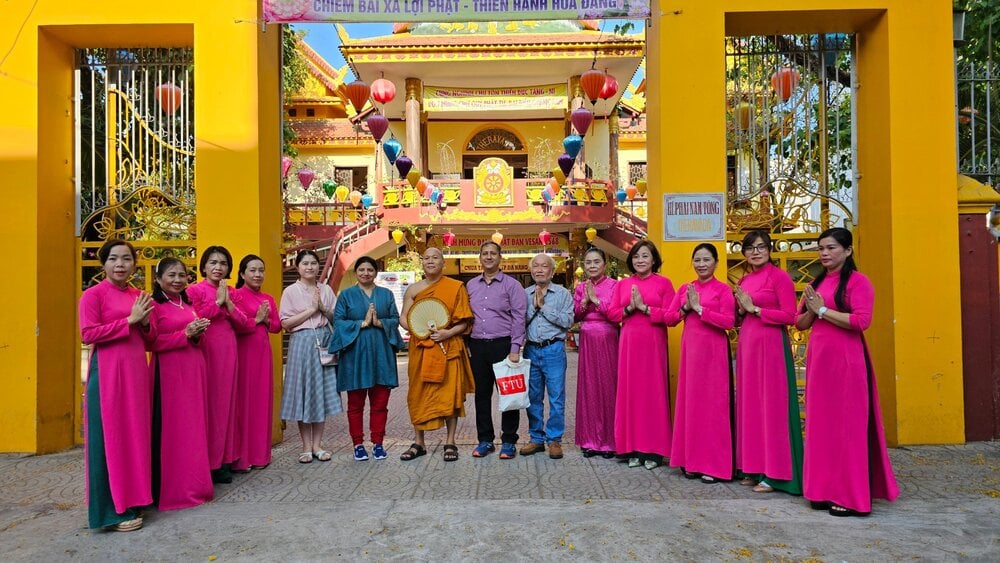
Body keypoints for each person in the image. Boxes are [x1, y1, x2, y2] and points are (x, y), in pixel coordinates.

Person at [796, 227, 899, 516]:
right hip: (820, 363)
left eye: (830, 248)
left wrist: (823, 311)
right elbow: (800, 323)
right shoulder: (817, 283)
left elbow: (861, 321)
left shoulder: (858, 282)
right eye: (820, 248)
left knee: (846, 428)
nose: (824, 253)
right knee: (820, 427)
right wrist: (811, 309)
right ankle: (821, 489)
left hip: (847, 363)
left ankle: (851, 497)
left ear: (848, 251)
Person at [78, 239, 155, 531]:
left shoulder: (140, 295)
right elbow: (87, 333)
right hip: (108, 373)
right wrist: (129, 320)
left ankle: (134, 500)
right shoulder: (93, 295)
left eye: (126, 259)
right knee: (109, 438)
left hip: (135, 373)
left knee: (134, 436)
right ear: (104, 263)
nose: (120, 264)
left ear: (134, 263)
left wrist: (145, 323)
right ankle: (111, 511)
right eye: (113, 259)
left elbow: (150, 339)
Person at [733, 230, 803, 495]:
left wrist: (755, 310)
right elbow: (741, 316)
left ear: (770, 249)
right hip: (749, 345)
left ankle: (776, 474)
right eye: (750, 248)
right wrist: (741, 309)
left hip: (772, 346)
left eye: (761, 247)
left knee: (771, 406)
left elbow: (790, 315)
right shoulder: (747, 279)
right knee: (751, 405)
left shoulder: (779, 277)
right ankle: (753, 467)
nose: (756, 252)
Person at [666, 244, 736, 481]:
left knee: (713, 407)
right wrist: (687, 306)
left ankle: (714, 465)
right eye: (697, 260)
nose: (701, 264)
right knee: (691, 405)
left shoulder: (723, 290)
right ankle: (690, 460)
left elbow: (729, 322)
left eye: (706, 259)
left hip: (714, 355)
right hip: (691, 354)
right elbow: (669, 318)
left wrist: (700, 309)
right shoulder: (685, 288)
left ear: (716, 262)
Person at [148, 257, 213, 510]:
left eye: (182, 275)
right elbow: (150, 343)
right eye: (171, 275)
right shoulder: (154, 306)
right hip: (170, 376)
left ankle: (195, 485)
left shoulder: (187, 304)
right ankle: (173, 490)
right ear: (158, 279)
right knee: (173, 431)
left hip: (193, 372)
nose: (177, 280)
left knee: (192, 429)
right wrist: (184, 335)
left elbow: (193, 338)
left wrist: (197, 334)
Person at [399, 247, 475, 462]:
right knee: (417, 394)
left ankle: (450, 442)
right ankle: (418, 442)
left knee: (450, 394)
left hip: (448, 346)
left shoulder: (455, 287)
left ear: (443, 264)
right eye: (426, 258)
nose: (430, 261)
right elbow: (404, 318)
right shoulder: (414, 289)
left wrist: (447, 332)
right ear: (421, 263)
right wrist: (418, 329)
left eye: (435, 258)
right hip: (422, 347)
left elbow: (464, 321)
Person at [186, 246, 252, 483]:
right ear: (203, 266)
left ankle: (224, 460)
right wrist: (217, 302)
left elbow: (246, 325)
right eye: (213, 262)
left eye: (223, 263)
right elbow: (195, 318)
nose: (218, 267)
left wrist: (229, 304)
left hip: (227, 350)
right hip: (203, 350)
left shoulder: (234, 293)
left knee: (226, 405)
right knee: (206, 406)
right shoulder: (193, 291)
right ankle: (204, 461)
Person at [329, 256, 404, 462]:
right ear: (356, 272)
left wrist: (379, 322)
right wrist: (361, 324)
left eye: (370, 269)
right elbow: (339, 321)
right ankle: (358, 444)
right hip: (355, 355)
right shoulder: (346, 295)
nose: (365, 273)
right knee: (355, 404)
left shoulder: (386, 294)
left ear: (376, 272)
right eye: (361, 269)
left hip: (381, 354)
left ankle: (378, 443)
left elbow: (395, 319)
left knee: (380, 403)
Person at [608, 240, 675, 469]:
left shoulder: (664, 284)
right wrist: (629, 309)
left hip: (653, 344)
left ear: (654, 260)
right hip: (629, 344)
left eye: (645, 256)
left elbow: (672, 316)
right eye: (636, 257)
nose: (640, 260)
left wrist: (646, 308)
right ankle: (632, 448)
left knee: (653, 394)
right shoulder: (623, 285)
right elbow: (613, 313)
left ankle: (654, 451)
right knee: (631, 394)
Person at [279, 250, 343, 464]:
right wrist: (311, 310)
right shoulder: (290, 291)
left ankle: (318, 445)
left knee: (321, 393)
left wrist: (323, 309)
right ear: (297, 267)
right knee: (303, 392)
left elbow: (336, 317)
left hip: (324, 342)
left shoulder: (325, 289)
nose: (310, 267)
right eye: (305, 263)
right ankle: (306, 446)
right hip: (301, 343)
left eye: (313, 263)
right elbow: (286, 323)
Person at [466, 241, 527, 459]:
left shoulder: (512, 285)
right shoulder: (471, 285)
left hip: (504, 345)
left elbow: (520, 317)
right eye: (485, 253)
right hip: (478, 346)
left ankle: (509, 440)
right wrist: (467, 344)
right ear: (480, 258)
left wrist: (515, 347)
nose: (489, 257)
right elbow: (465, 317)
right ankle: (485, 440)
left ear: (500, 258)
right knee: (482, 395)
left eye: (493, 253)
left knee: (509, 395)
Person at [520, 253, 574, 460]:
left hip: (554, 350)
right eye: (536, 266)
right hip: (531, 349)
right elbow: (518, 321)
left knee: (557, 397)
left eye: (544, 266)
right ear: (531, 270)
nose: (540, 270)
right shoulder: (523, 294)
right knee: (533, 398)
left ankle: (554, 439)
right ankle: (536, 438)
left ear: (552, 271)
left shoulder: (562, 294)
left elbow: (568, 321)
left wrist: (544, 306)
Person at [231, 254, 282, 471]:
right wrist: (258, 320)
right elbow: (236, 324)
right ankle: (242, 457)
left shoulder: (267, 298)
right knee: (243, 403)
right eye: (252, 270)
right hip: (242, 353)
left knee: (262, 402)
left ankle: (260, 454)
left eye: (261, 270)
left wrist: (266, 319)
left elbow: (277, 326)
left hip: (262, 354)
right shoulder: (235, 296)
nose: (258, 274)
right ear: (242, 273)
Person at [572, 247, 619, 459]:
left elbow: (617, 313)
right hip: (588, 338)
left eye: (596, 262)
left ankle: (609, 441)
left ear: (605, 264)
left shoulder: (615, 286)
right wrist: (584, 302)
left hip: (608, 337)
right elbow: (574, 316)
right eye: (588, 262)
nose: (592, 266)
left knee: (608, 387)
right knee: (589, 387)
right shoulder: (581, 287)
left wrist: (597, 301)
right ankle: (589, 440)